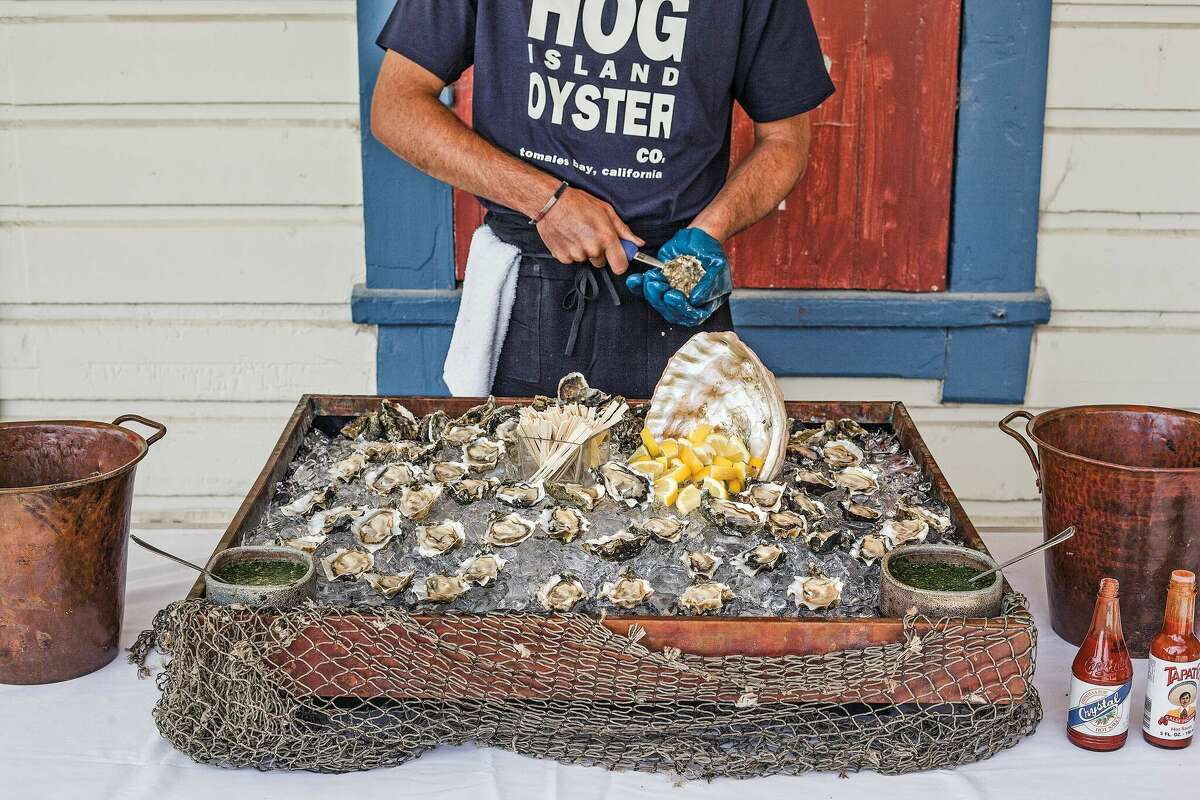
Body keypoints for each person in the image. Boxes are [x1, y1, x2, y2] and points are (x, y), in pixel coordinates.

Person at [371, 0, 834, 397]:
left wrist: (709, 232)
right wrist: (545, 201)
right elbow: (397, 107)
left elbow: (784, 140)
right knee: (515, 490)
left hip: (672, 286)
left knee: (691, 492)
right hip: (529, 290)